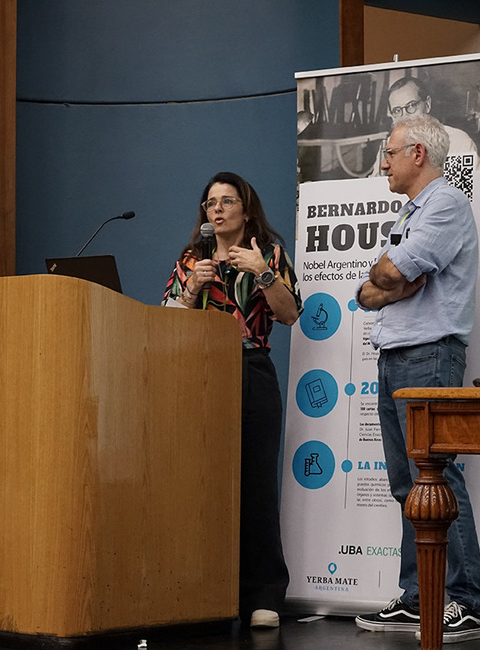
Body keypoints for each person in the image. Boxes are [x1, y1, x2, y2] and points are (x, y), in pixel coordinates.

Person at [353, 114, 480, 643]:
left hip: (429, 356)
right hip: (395, 355)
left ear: (418, 154)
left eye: (389, 153)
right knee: (408, 487)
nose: (383, 164)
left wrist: (390, 279)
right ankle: (419, 597)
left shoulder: (446, 204)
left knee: (436, 477)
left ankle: (468, 601)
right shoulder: (411, 212)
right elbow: (369, 291)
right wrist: (391, 282)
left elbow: (387, 274)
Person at [162, 171, 303, 628]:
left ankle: (264, 595)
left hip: (250, 370)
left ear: (246, 209)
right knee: (202, 482)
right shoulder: (192, 259)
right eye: (211, 203)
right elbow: (166, 320)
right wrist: (191, 288)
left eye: (226, 201)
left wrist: (261, 272)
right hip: (199, 373)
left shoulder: (269, 254)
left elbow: (289, 314)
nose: (217, 210)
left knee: (256, 484)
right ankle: (205, 593)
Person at [375, 77, 480, 173]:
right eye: (397, 111)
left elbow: (479, 190)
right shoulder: (388, 147)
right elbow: (375, 187)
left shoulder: (458, 142)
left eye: (411, 105)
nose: (405, 117)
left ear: (427, 104)